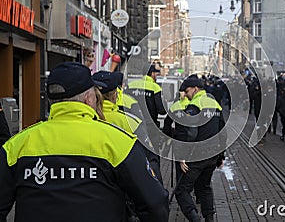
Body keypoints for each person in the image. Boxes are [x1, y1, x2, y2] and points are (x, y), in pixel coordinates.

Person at [0, 62, 169, 222]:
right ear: (89, 98)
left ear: (51, 101)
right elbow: (155, 204)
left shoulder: (17, 145)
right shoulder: (117, 142)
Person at [175, 75, 225, 222]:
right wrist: (221, 156)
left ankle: (194, 218)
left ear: (195, 89)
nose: (186, 94)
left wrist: (182, 156)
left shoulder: (194, 106)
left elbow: (190, 133)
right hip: (212, 156)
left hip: (197, 156)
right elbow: (222, 132)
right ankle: (209, 218)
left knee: (182, 190)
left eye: (188, 90)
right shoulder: (215, 104)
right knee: (204, 187)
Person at [127, 64, 167, 184]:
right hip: (150, 127)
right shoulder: (154, 87)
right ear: (152, 74)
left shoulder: (130, 86)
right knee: (153, 156)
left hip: (132, 125)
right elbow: (161, 110)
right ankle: (156, 184)